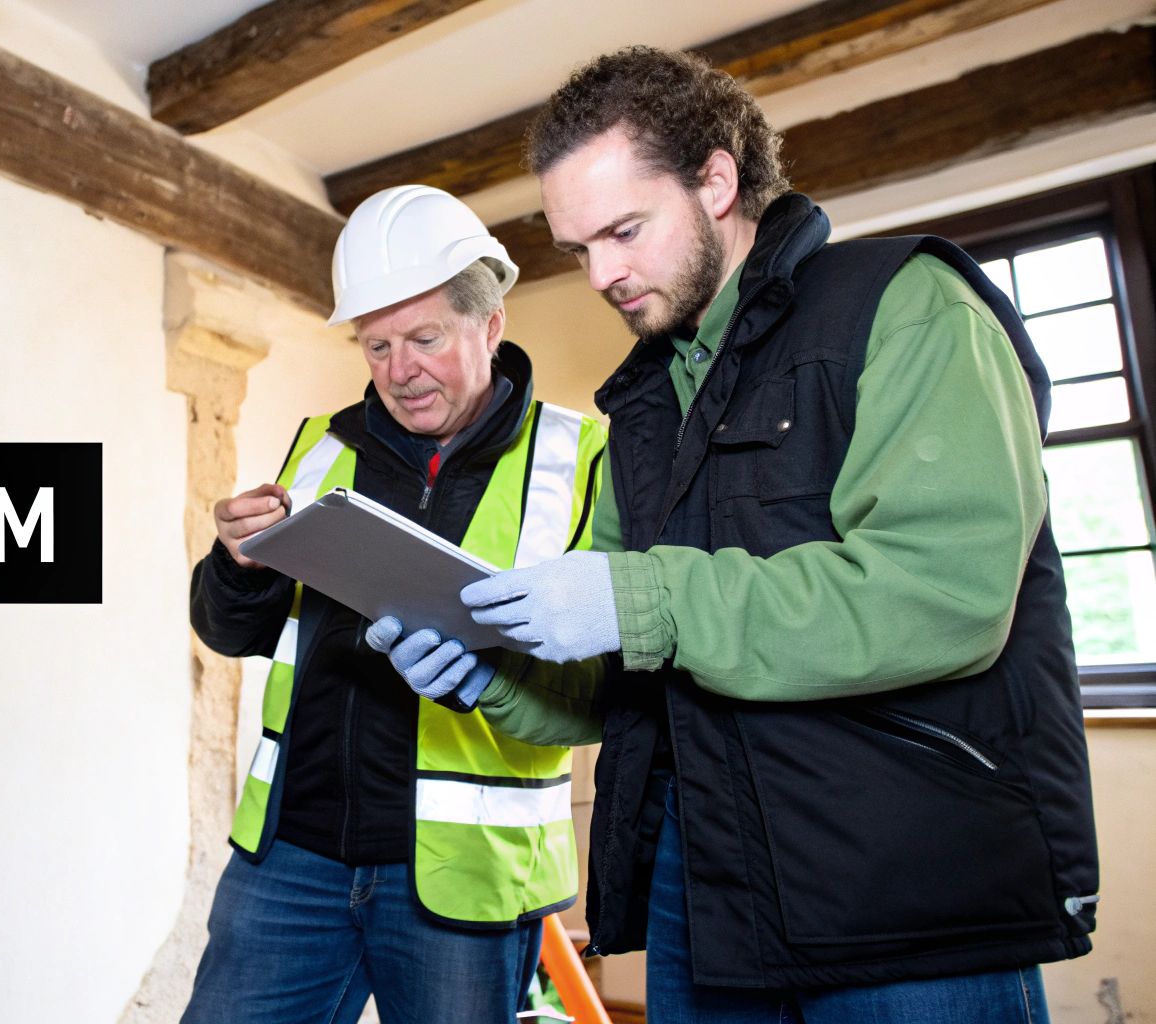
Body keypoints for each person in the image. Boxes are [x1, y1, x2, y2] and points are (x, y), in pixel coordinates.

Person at [374, 46, 1099, 1023]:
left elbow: (941, 596)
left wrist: (642, 597)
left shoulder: (905, 305)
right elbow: (635, 678)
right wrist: (487, 673)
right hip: (705, 896)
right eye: (577, 248)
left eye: (622, 230)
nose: (600, 274)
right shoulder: (637, 405)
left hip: (901, 895)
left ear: (716, 179)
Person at [181, 184, 609, 1023]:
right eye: (376, 345)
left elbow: (604, 691)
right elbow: (230, 631)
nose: (399, 371)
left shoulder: (581, 459)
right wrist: (235, 564)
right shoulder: (322, 446)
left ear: (490, 325)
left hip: (464, 883)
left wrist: (482, 673)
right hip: (290, 862)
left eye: (424, 338)